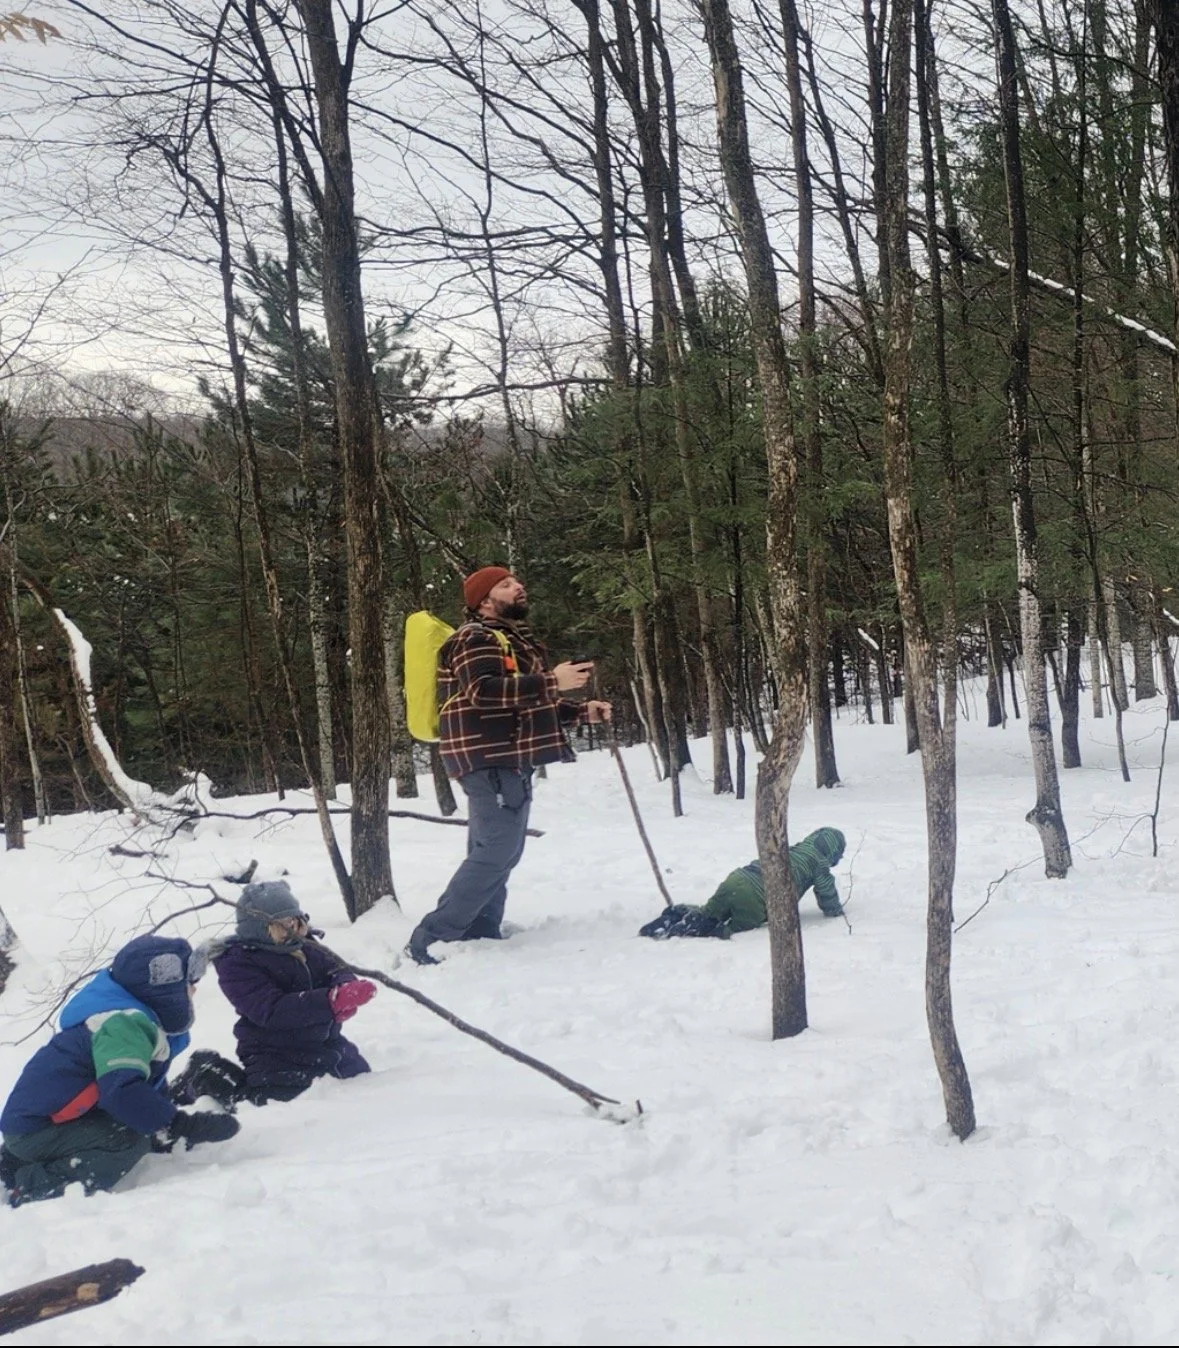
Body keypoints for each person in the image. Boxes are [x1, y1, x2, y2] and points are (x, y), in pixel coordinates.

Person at [406, 566, 612, 965]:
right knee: (499, 848)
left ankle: (478, 929)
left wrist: (580, 712)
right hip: (490, 756)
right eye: (505, 585)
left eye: (517, 582)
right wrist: (553, 680)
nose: (518, 587)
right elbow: (483, 693)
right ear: (484, 600)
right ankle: (434, 937)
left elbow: (521, 701)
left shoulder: (507, 640)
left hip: (506, 755)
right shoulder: (474, 637)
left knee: (497, 847)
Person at [0, 934, 240, 1207]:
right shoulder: (121, 1024)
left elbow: (142, 1085)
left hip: (45, 1123)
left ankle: (14, 1161)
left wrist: (161, 1124)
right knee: (128, 1142)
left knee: (137, 1126)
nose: (194, 991)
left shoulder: (129, 1018)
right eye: (188, 984)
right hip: (35, 1130)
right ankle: (31, 1186)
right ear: (164, 992)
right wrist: (180, 1126)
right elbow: (121, 1092)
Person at [211, 880, 376, 1104]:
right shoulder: (238, 963)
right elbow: (271, 1010)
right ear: (259, 929)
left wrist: (345, 986)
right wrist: (329, 1003)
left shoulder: (307, 946)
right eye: (285, 925)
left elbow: (336, 967)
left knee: (364, 1087)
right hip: (275, 1053)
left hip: (327, 1044)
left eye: (299, 922)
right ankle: (212, 1079)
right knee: (286, 1103)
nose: (295, 931)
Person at [639, 828, 848, 939]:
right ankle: (690, 929)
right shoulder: (819, 864)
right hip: (755, 897)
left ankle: (679, 914)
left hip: (737, 878)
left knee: (710, 911)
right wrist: (835, 911)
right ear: (833, 853)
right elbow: (826, 892)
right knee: (735, 929)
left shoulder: (793, 849)